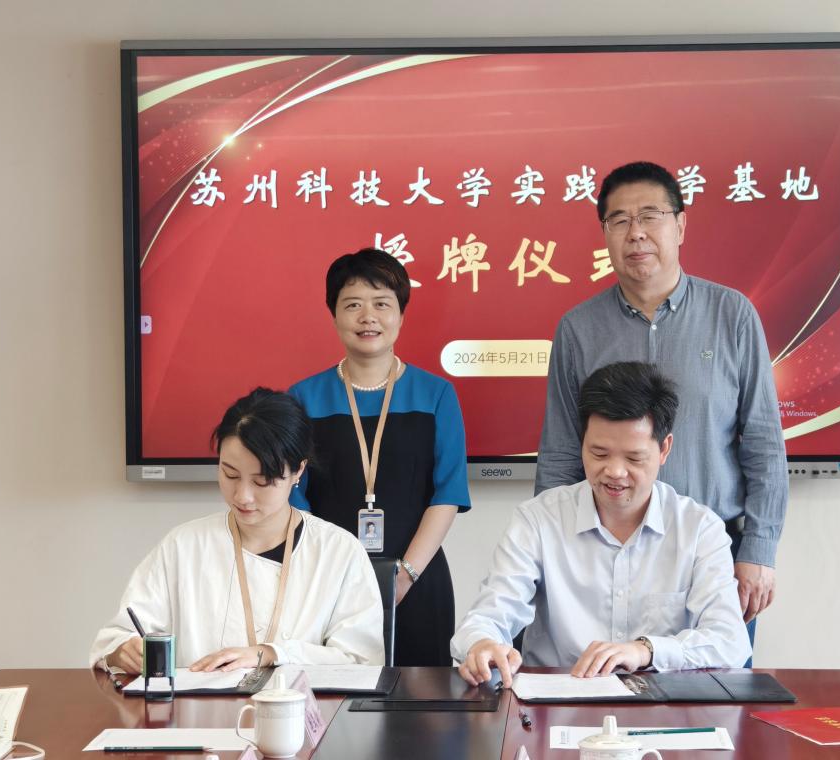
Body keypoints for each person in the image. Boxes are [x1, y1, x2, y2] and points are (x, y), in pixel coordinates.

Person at [535, 161, 788, 644]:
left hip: (713, 555)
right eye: (620, 220)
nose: (636, 233)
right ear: (605, 233)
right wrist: (547, 553)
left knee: (716, 685)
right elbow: (561, 454)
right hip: (604, 557)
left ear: (680, 225)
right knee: (601, 684)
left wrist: (758, 550)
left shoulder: (732, 314)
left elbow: (763, 442)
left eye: (651, 216)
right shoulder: (578, 329)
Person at [453, 361, 750, 686]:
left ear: (664, 449)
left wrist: (646, 650)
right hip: (557, 701)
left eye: (634, 458)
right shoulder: (538, 520)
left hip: (659, 704)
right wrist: (481, 644)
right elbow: (489, 614)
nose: (615, 472)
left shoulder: (699, 528)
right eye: (599, 454)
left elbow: (731, 641)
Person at [90, 388, 384, 673]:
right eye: (230, 474)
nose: (242, 496)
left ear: (298, 471)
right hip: (196, 707)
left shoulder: (338, 551)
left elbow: (362, 661)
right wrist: (122, 650)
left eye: (262, 480)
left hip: (301, 708)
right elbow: (117, 636)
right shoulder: (184, 546)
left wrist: (275, 654)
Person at [289, 248, 471, 667]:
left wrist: (405, 574)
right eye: (353, 304)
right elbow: (295, 498)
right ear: (334, 314)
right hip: (328, 584)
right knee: (332, 696)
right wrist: (334, 577)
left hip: (418, 580)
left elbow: (447, 493)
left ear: (401, 315)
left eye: (382, 304)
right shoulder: (303, 398)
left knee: (422, 701)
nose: (367, 316)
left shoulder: (436, 395)